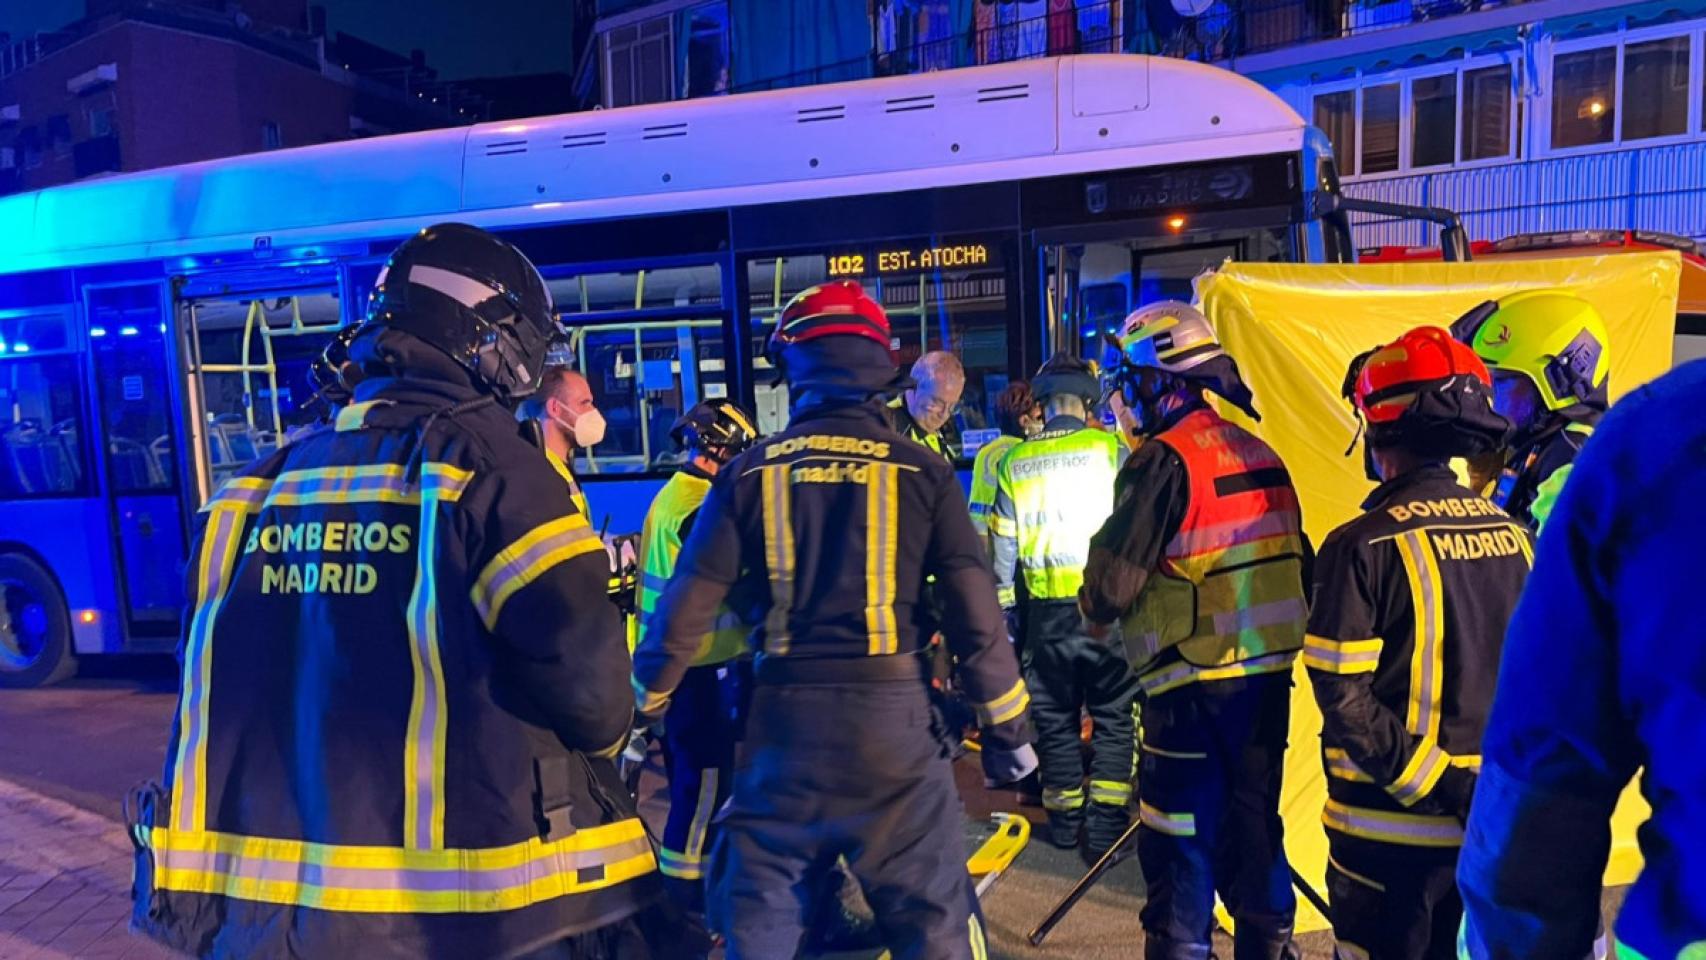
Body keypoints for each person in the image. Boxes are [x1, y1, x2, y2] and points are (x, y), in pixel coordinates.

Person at [127, 223, 679, 959]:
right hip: (456, 922)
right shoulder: (500, 474)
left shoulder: (247, 493)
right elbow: (595, 698)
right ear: (488, 336)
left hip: (263, 926)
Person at [632, 280, 1037, 960]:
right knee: (934, 923)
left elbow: (685, 606)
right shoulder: (924, 473)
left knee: (761, 928)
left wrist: (642, 706)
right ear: (881, 370)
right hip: (897, 740)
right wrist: (1009, 731)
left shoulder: (749, 475)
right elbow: (975, 613)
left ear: (793, 367)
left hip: (781, 735)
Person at [1079, 300, 1307, 960]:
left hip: (1189, 690)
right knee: (1255, 827)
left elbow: (1109, 588)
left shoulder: (1162, 462)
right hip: (1266, 688)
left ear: (1160, 381)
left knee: (1181, 844)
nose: (1121, 401)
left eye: (1127, 384)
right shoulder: (1261, 454)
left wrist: (1089, 618)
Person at [1457, 359, 1706, 960]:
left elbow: (1541, 785)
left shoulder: (1654, 443)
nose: (1495, 409)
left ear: (1559, 377)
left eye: (1507, 389)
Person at [1307, 327, 1528, 960]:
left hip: (1384, 844)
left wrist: (1438, 786)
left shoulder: (1361, 545)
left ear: (1380, 438)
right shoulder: (1517, 539)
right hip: (1487, 831)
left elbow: (1342, 698)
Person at [989, 355, 1134, 859]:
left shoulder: (1016, 462)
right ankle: (1105, 831)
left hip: (1045, 616)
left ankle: (1067, 824)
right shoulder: (1109, 451)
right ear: (1087, 401)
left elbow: (1002, 548)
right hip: (1104, 612)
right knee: (1114, 716)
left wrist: (1007, 611)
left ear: (1043, 404)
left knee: (1055, 721)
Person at [633, 399, 760, 935]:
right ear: (714, 452)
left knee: (704, 786)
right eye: (734, 453)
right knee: (701, 790)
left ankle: (692, 894)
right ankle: (684, 904)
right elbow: (726, 583)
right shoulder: (696, 506)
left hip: (689, 671)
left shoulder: (681, 496)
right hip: (697, 674)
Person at [1450, 291, 1609, 531]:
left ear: (1559, 381)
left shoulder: (1571, 466)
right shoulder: (1537, 445)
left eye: (1501, 381)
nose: (1489, 394)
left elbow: (1545, 565)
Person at [519, 366, 605, 519]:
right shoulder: (543, 476)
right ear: (554, 408)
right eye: (584, 403)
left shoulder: (559, 469)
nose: (593, 411)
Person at [968, 380, 1041, 549]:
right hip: (1018, 547)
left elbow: (977, 512)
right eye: (1038, 417)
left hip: (984, 546)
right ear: (1024, 421)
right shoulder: (1027, 453)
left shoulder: (985, 452)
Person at [888, 349, 966, 461]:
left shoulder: (941, 433)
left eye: (952, 406)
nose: (944, 415)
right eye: (937, 402)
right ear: (912, 388)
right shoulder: (882, 428)